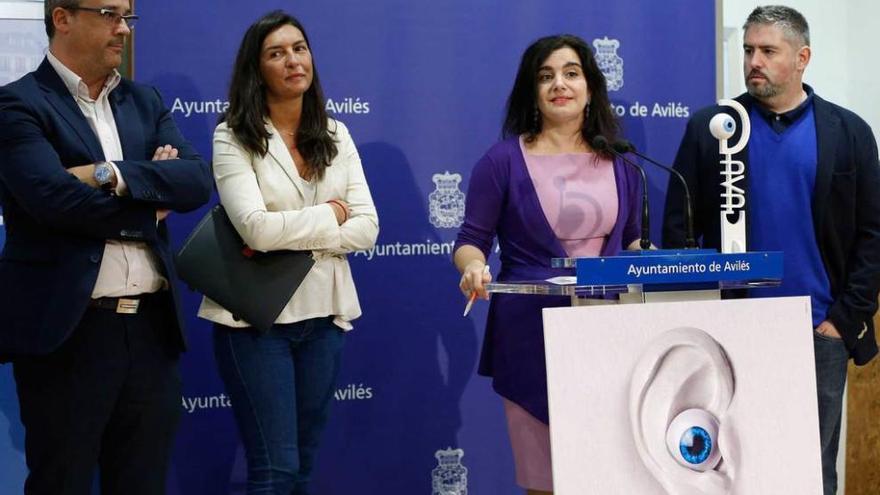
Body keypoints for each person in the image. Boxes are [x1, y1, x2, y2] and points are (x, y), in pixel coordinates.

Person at [662, 6, 880, 495]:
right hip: (727, 333)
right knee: (730, 470)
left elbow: (873, 235)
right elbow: (679, 230)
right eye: (747, 50)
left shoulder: (849, 134)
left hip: (817, 331)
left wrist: (842, 322)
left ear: (802, 58)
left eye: (767, 51)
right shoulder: (711, 128)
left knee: (810, 470)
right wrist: (699, 315)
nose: (753, 61)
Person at [0, 0, 213, 493]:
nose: (124, 29)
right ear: (62, 18)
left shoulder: (145, 101)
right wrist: (150, 200)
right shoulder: (17, 104)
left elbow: (195, 181)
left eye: (127, 17)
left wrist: (110, 175)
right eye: (110, 14)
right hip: (69, 333)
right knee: (62, 481)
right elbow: (53, 201)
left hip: (151, 334)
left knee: (143, 483)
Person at [197, 10, 379, 494]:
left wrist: (299, 230)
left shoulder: (336, 134)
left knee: (302, 467)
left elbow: (369, 229)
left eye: (299, 48)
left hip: (325, 318)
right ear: (257, 70)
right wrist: (332, 216)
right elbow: (256, 230)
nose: (293, 60)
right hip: (256, 323)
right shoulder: (233, 135)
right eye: (276, 53)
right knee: (273, 468)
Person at [454, 34, 643, 494]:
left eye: (571, 73)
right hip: (530, 335)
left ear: (591, 87)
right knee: (545, 480)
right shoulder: (501, 162)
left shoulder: (621, 161)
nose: (560, 84)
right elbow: (470, 241)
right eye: (546, 76)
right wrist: (473, 267)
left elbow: (634, 246)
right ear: (532, 91)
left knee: (609, 475)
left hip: (609, 332)